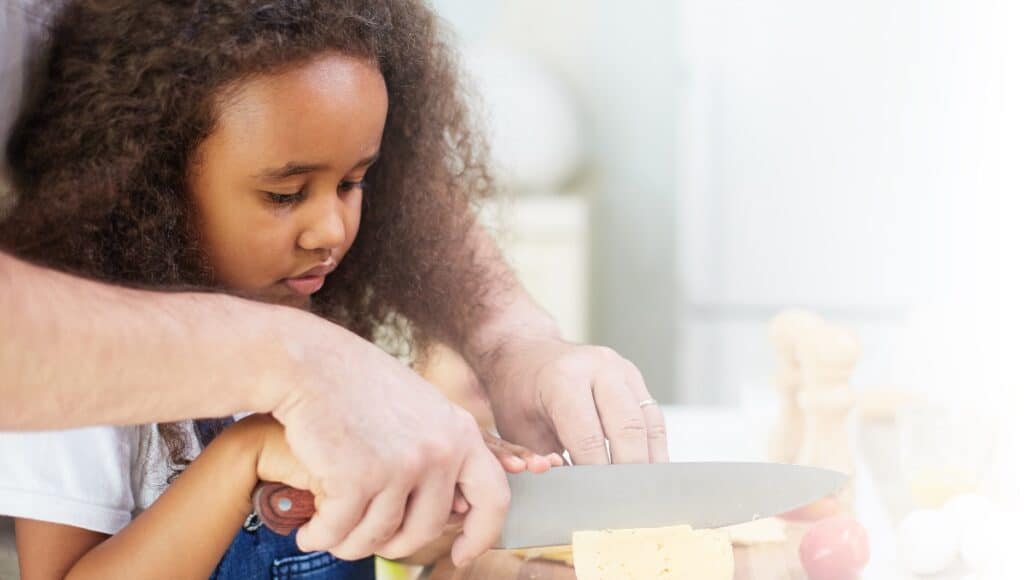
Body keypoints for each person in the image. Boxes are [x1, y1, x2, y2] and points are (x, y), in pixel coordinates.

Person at [0, 0, 668, 576]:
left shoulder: (313, 314)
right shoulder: (82, 386)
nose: (332, 230)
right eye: (285, 193)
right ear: (150, 182)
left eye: (355, 183)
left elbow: (374, 540)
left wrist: (440, 498)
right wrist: (245, 455)